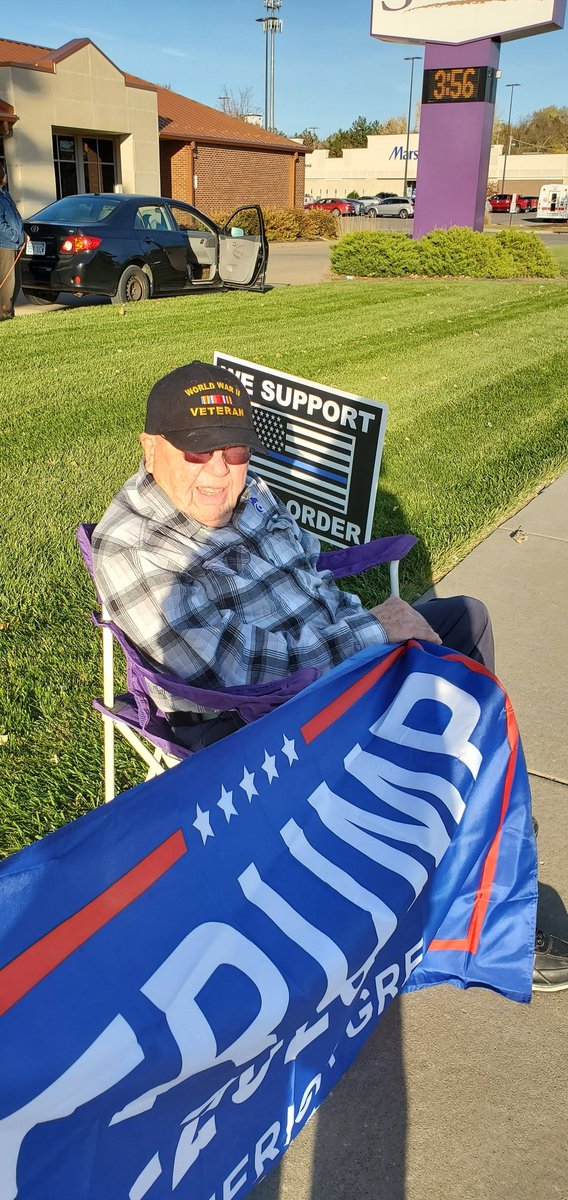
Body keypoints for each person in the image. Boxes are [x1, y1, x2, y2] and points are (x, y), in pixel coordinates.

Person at [93, 361, 568, 992]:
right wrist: (373, 634)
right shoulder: (134, 546)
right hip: (256, 716)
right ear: (152, 451)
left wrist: (375, 629)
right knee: (438, 703)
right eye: (196, 450)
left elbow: (308, 577)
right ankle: (475, 896)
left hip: (337, 662)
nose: (219, 472)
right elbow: (228, 667)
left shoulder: (248, 493)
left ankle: (465, 814)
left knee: (463, 623)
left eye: (234, 451)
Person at [0, 166, 25, 321]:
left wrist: (23, 234)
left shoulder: (5, 194)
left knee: (17, 283)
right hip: (5, 245)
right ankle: (4, 315)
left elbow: (14, 218)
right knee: (7, 284)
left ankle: (10, 313)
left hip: (15, 244)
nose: (6, 175)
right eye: (4, 172)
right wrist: (16, 236)